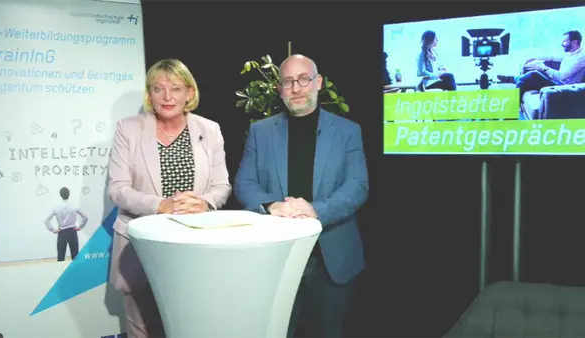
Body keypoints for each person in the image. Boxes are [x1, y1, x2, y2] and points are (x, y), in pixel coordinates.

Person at [233, 54, 368, 338]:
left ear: (318, 82)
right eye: (288, 82)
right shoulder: (260, 132)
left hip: (331, 259)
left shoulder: (347, 131)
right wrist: (271, 205)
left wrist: (316, 210)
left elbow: (357, 186)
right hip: (275, 259)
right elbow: (245, 183)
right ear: (280, 89)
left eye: (304, 79)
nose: (296, 88)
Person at [107, 58, 231, 338]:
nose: (167, 96)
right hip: (140, 244)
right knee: (142, 327)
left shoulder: (209, 130)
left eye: (175, 89)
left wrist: (205, 202)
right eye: (158, 89)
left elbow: (221, 185)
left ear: (189, 92)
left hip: (192, 244)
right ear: (150, 94)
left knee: (191, 325)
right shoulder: (129, 128)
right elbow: (118, 188)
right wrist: (160, 205)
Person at [497, 30, 585, 101]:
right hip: (557, 81)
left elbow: (562, 76)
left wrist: (542, 68)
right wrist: (535, 57)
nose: (562, 44)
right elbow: (555, 57)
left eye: (564, 41)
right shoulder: (573, 52)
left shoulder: (581, 57)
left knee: (533, 74)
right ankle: (513, 80)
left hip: (563, 87)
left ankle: (512, 88)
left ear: (574, 42)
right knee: (527, 76)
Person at [44, 187, 88, 261]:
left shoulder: (56, 207)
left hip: (62, 233)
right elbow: (85, 218)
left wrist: (53, 230)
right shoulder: (74, 206)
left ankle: (60, 271)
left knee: (61, 257)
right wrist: (80, 227)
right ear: (69, 194)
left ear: (60, 195)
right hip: (72, 232)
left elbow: (46, 220)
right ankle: (75, 272)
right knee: (75, 257)